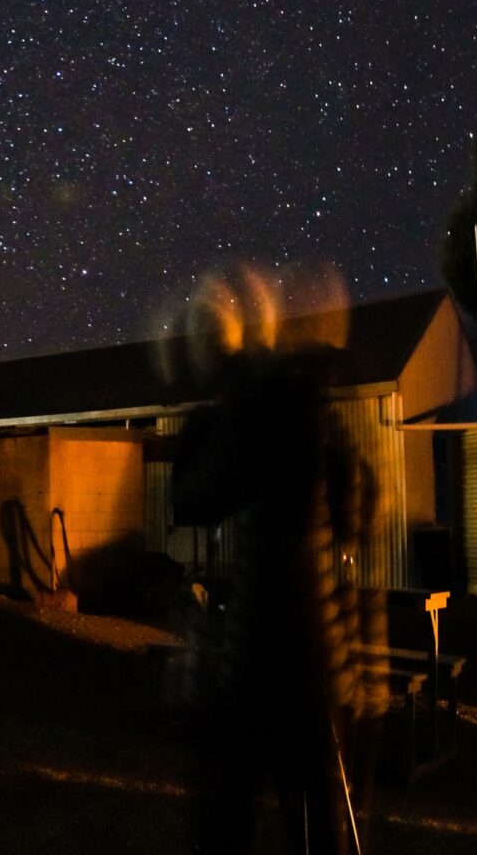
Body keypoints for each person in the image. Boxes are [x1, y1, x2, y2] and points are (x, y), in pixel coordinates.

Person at [172, 266, 372, 854]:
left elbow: (199, 497)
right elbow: (352, 511)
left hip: (263, 654)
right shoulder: (311, 405)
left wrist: (200, 431)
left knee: (227, 819)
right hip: (319, 658)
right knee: (316, 820)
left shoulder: (254, 408)